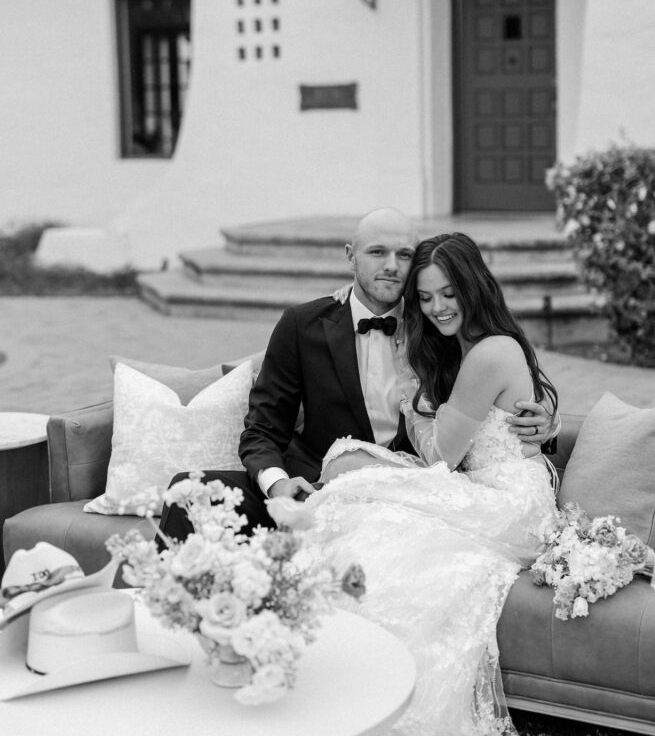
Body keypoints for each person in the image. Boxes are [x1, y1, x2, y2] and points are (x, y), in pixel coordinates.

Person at [286, 232, 559, 736]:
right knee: (360, 498)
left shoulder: (487, 352)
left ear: (474, 286)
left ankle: (360, 711)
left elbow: (440, 456)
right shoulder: (473, 344)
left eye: (448, 293)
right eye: (427, 297)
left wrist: (410, 384)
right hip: (484, 485)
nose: (437, 308)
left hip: (507, 499)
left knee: (358, 491)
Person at [157, 209, 556, 543]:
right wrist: (279, 485)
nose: (390, 266)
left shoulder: (442, 331)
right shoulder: (303, 325)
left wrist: (545, 423)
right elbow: (263, 429)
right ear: (351, 257)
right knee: (188, 493)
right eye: (377, 252)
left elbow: (501, 399)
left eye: (404, 255)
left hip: (411, 498)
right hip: (315, 487)